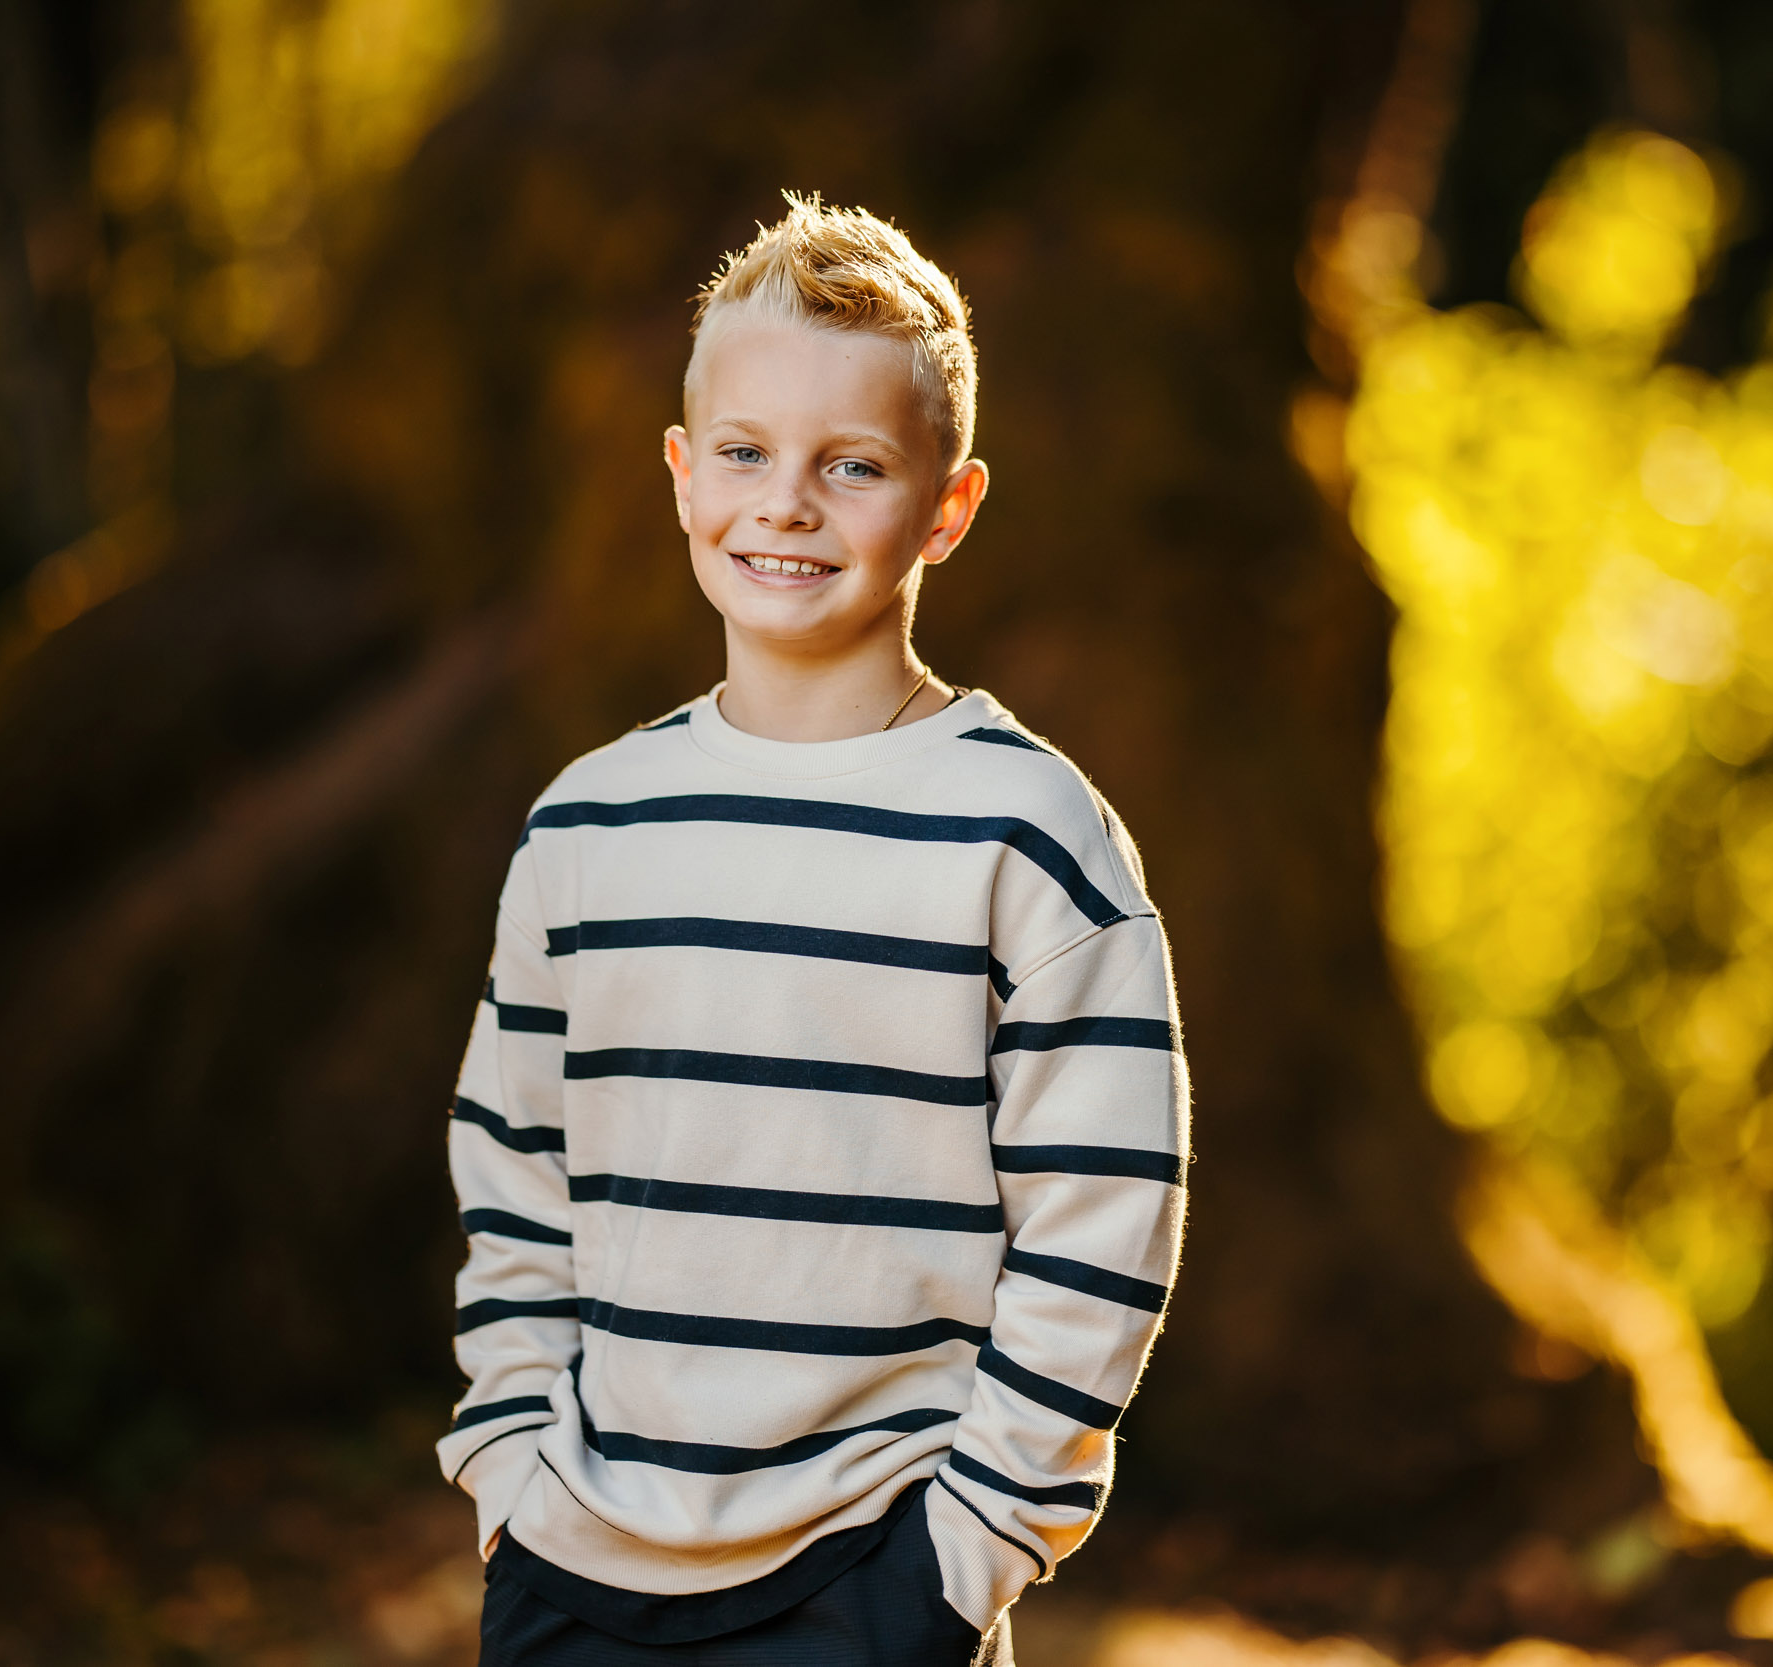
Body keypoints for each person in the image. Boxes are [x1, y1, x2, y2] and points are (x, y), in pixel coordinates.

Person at [437, 194, 1190, 1667]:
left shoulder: (1026, 833)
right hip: (573, 1562)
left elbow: (1104, 1215)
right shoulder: (588, 828)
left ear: (948, 509)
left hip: (876, 1577)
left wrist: (967, 1552)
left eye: (853, 466)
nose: (785, 505)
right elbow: (514, 1172)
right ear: (681, 476)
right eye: (745, 454)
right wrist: (512, 1466)